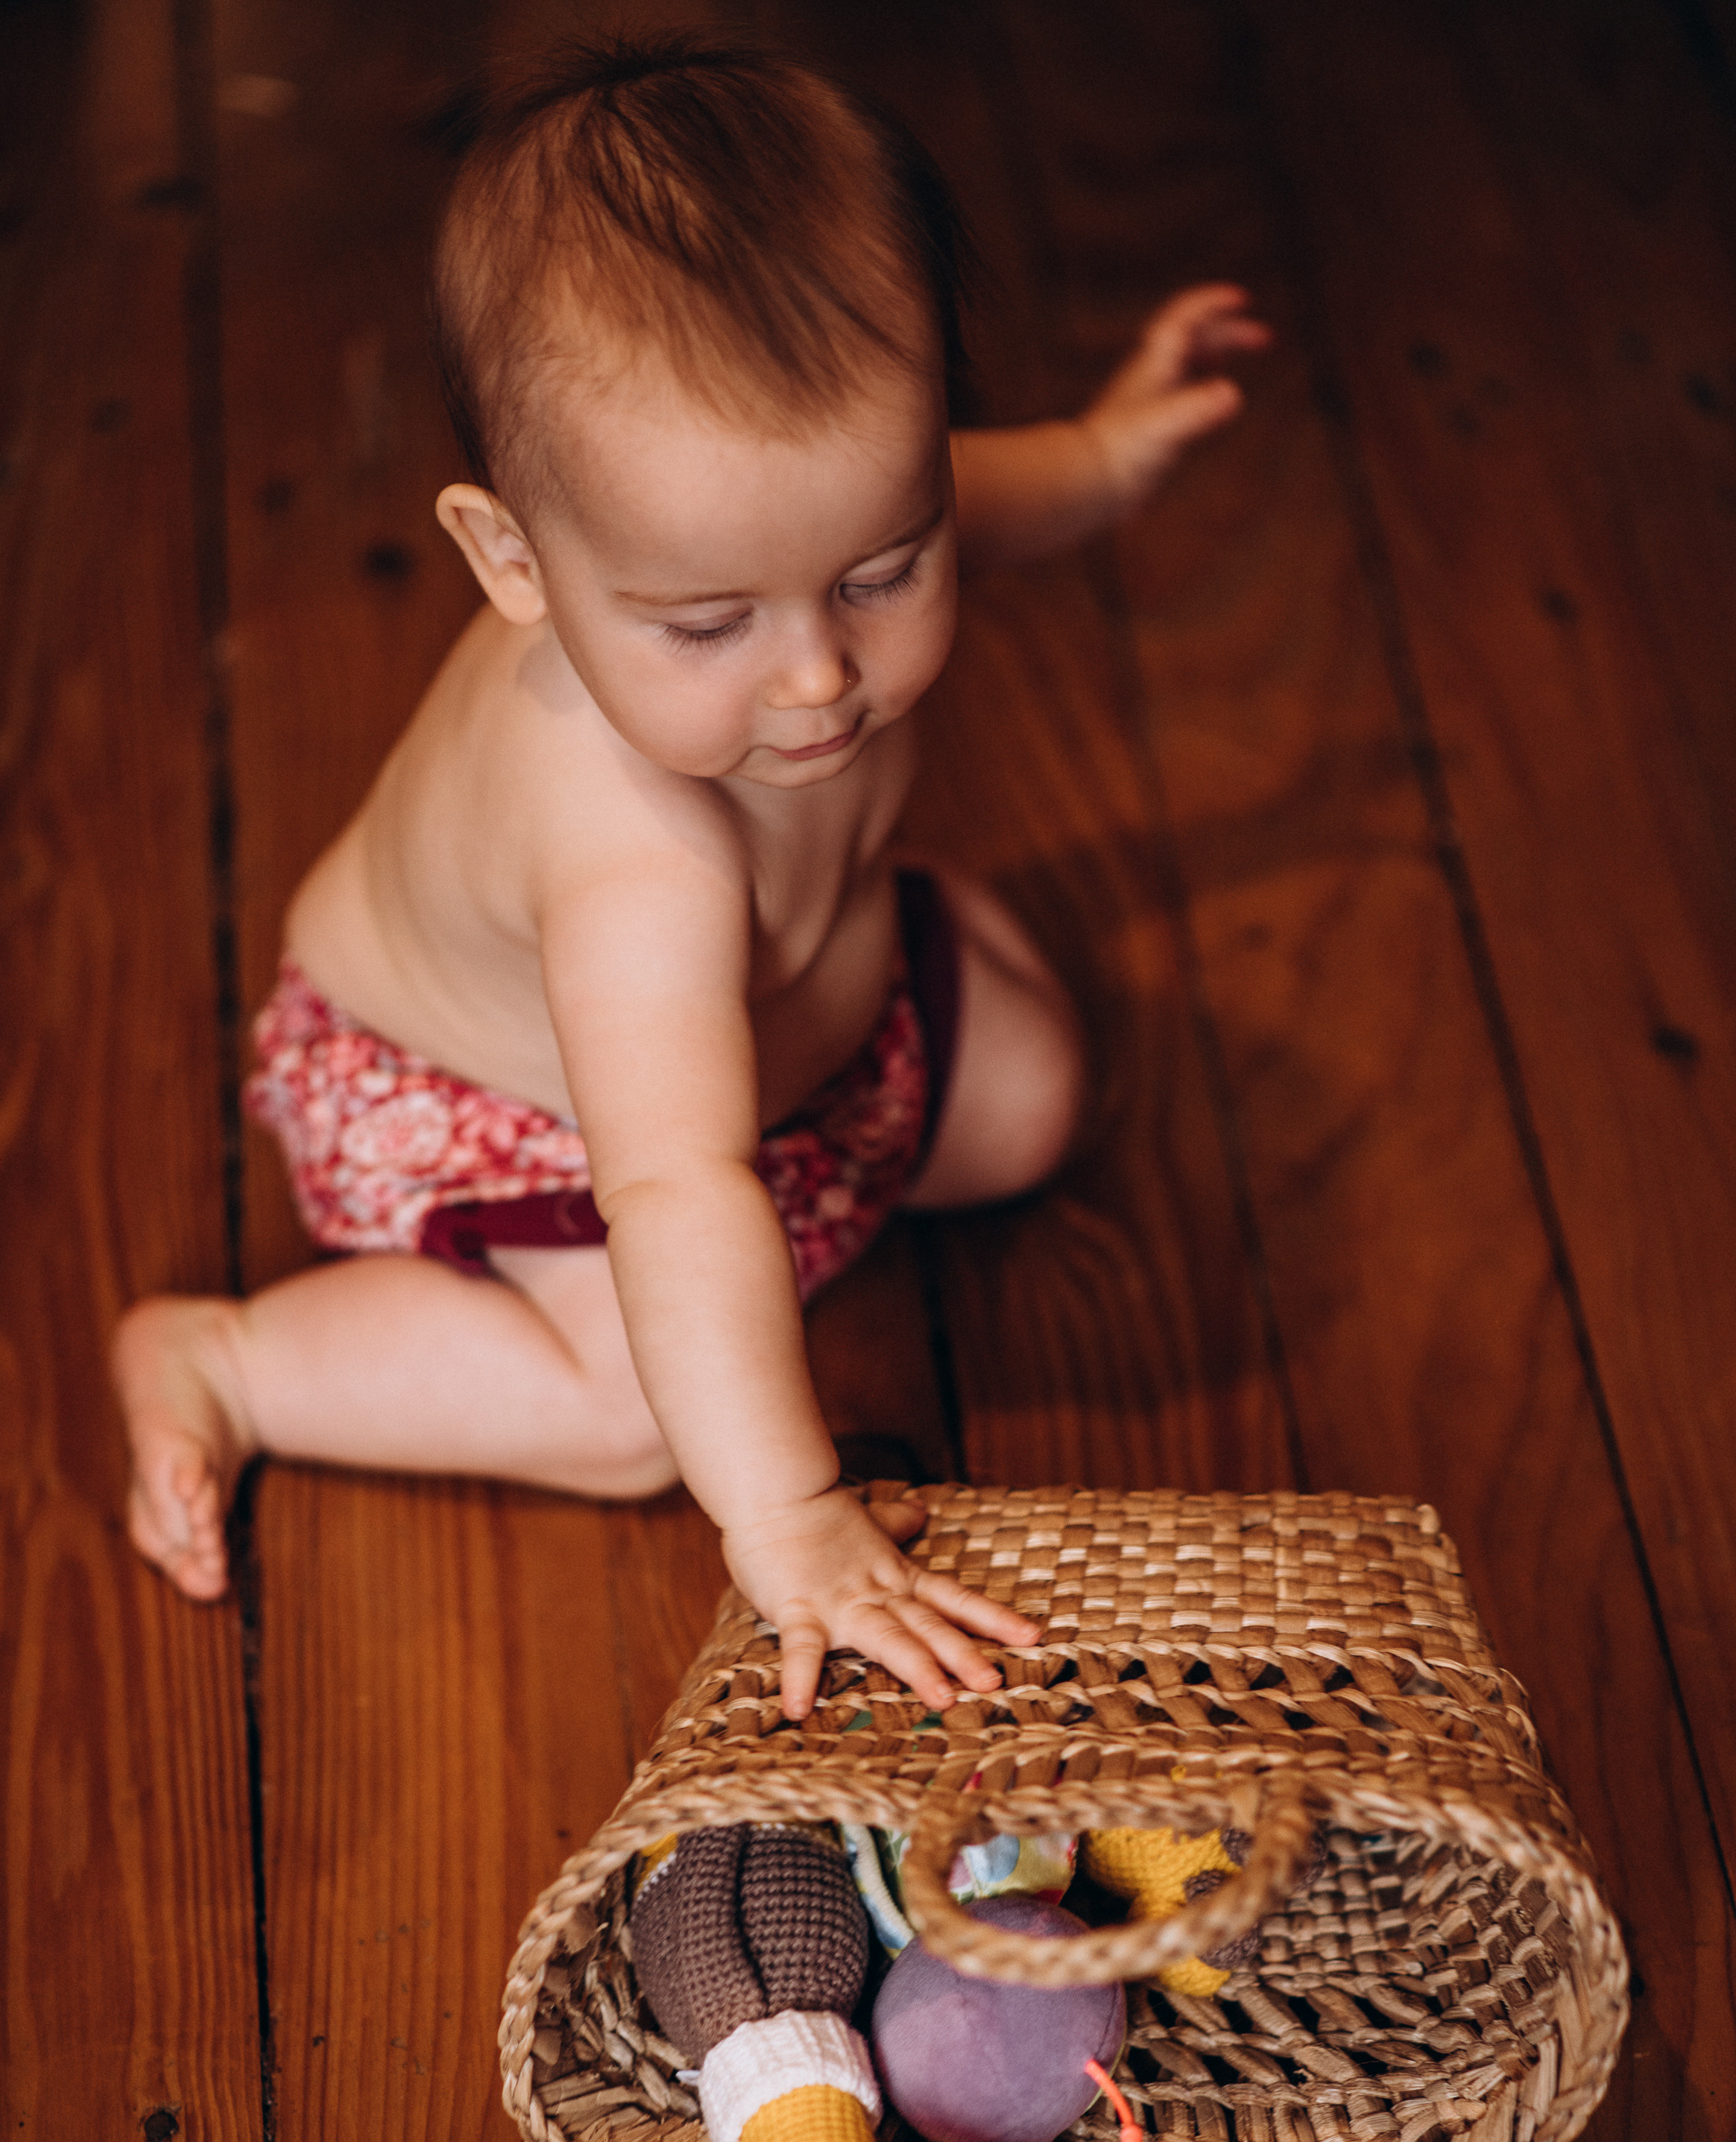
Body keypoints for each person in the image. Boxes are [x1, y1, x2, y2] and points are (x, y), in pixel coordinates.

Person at [113, 34, 1266, 1718]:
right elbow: (675, 1187)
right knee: (633, 1414)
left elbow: (959, 493)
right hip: (545, 1115)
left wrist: (1100, 458)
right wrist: (789, 1511)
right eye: (710, 623)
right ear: (512, 557)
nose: (815, 677)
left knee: (1033, 1102)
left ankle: (869, 975)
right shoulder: (623, 841)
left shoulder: (804, 549)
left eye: (884, 570)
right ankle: (230, 1358)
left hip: (789, 1004)